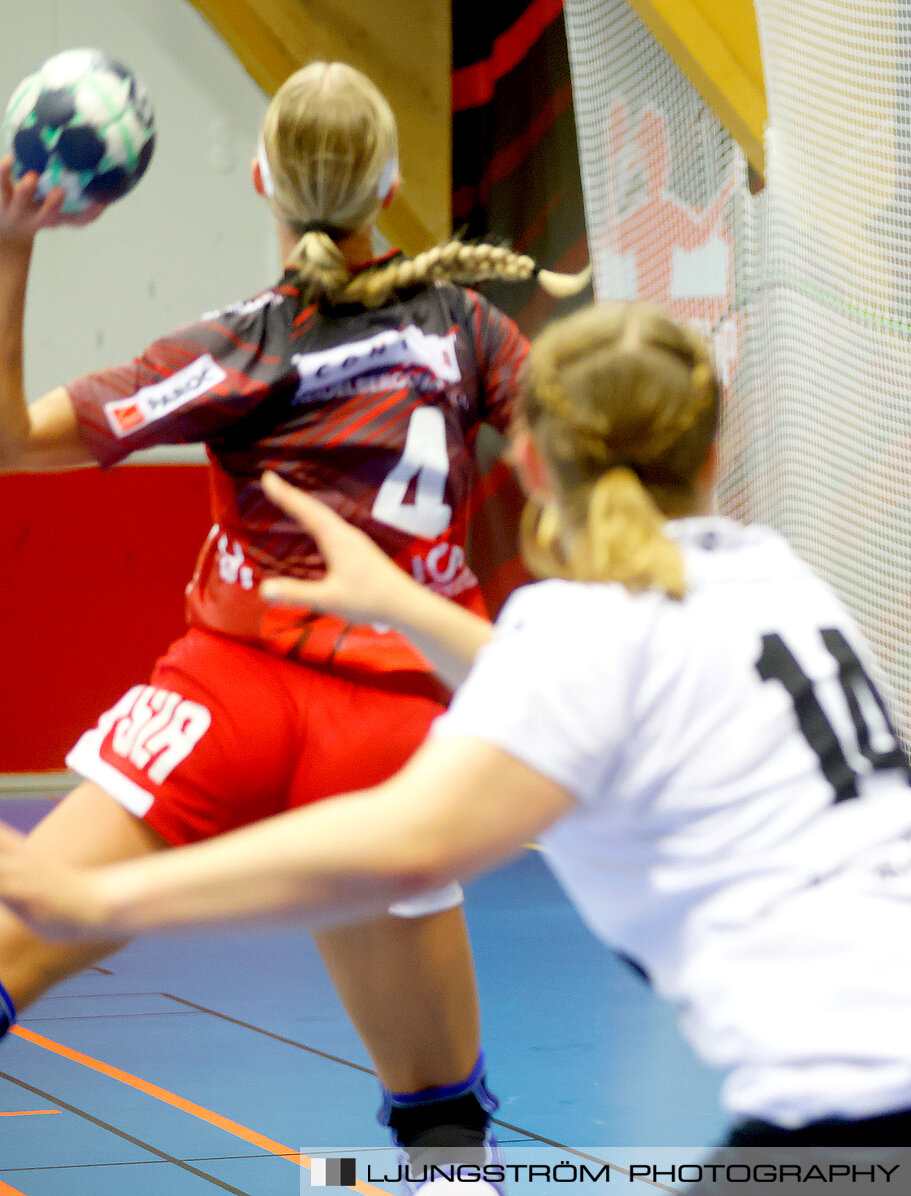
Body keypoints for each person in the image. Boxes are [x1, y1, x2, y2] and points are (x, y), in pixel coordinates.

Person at [0, 301, 911, 1187]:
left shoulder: (578, 626)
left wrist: (104, 903)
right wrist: (403, 602)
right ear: (712, 451)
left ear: (526, 461)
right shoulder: (769, 568)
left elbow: (404, 845)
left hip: (877, 1088)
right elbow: (592, 698)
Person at [0, 61, 585, 1188]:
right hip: (396, 735)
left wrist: (13, 241)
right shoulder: (468, 328)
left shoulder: (237, 346)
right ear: (393, 184)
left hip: (229, 694)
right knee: (445, 1125)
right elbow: (574, 460)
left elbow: (13, 439)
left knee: (24, 929)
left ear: (263, 178)